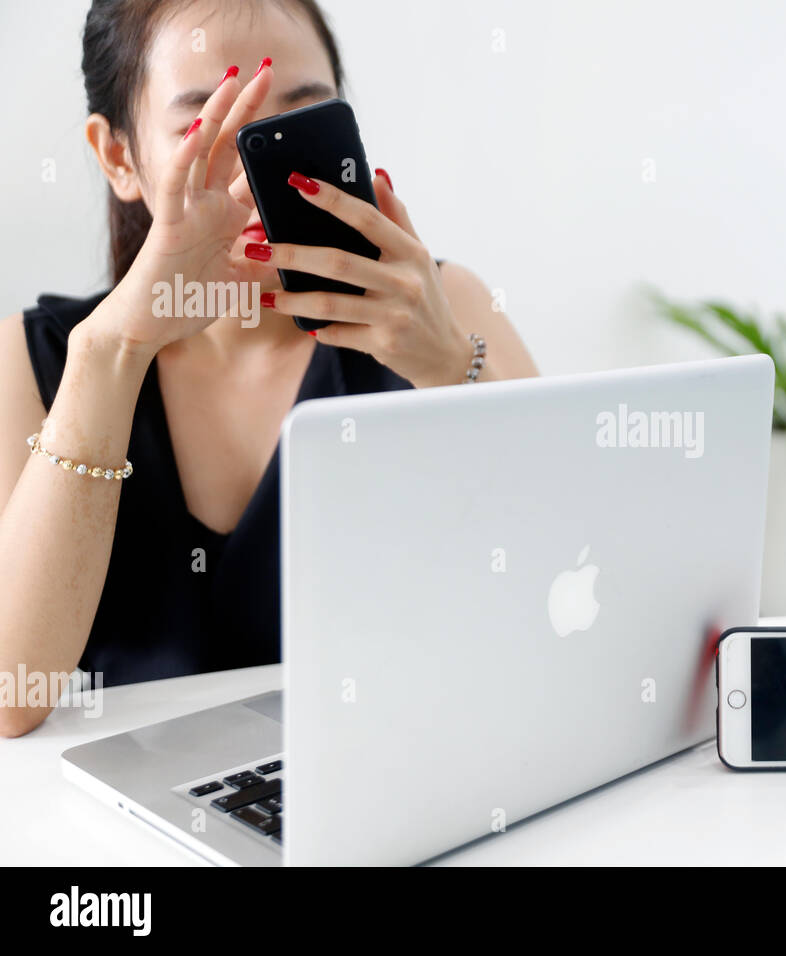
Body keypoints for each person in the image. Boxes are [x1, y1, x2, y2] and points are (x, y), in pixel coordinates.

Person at [0, 0, 537, 736]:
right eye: (210, 126)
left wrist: (450, 368)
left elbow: (563, 598)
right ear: (120, 157)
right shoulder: (38, 359)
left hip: (394, 776)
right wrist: (114, 351)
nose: (261, 171)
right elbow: (10, 696)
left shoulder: (446, 308)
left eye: (300, 120)